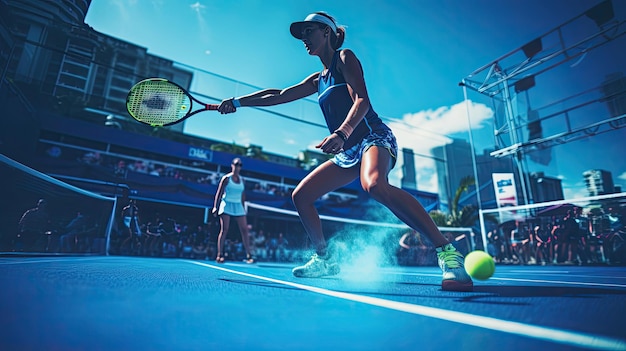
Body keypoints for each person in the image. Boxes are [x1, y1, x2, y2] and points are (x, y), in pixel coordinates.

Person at [217, 12, 473, 291]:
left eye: (309, 31)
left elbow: (362, 99)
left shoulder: (344, 58)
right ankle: (324, 259)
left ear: (327, 32)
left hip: (372, 136)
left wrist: (342, 132)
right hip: (348, 149)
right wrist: (237, 102)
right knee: (301, 196)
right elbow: (278, 95)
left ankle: (447, 253)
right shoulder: (318, 80)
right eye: (302, 34)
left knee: (373, 184)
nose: (304, 38)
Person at [212, 157, 255, 264]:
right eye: (236, 164)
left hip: (238, 205)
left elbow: (243, 195)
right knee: (224, 229)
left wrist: (243, 208)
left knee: (245, 230)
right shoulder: (226, 178)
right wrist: (215, 207)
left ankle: (249, 255)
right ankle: (220, 255)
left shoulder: (242, 180)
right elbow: (219, 193)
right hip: (226, 204)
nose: (237, 167)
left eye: (240, 165)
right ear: (232, 165)